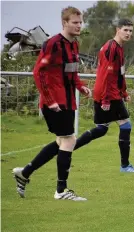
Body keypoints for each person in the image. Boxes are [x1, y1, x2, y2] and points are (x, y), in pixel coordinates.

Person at [12, 6, 91, 201]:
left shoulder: (74, 44)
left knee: (61, 142)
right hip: (55, 102)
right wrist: (50, 100)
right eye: (75, 22)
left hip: (68, 100)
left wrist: (80, 87)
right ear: (64, 23)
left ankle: (25, 173)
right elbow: (38, 72)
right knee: (69, 140)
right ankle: (61, 191)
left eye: (80, 22)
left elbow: (71, 72)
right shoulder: (53, 43)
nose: (79, 25)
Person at [73, 19, 134, 173]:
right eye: (126, 30)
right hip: (108, 94)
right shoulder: (111, 48)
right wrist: (106, 98)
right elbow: (107, 75)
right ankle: (125, 166)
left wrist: (124, 92)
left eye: (131, 31)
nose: (128, 33)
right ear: (117, 29)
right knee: (126, 125)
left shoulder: (117, 47)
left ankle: (69, 148)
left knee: (102, 128)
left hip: (108, 93)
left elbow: (119, 73)